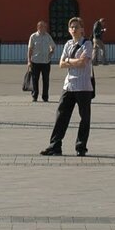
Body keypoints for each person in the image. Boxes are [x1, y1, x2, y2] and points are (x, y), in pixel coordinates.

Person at [41, 17, 94, 156]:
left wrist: (68, 60)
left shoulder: (87, 44)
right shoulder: (68, 44)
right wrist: (72, 61)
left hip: (83, 87)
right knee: (61, 116)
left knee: (85, 118)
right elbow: (60, 64)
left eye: (77, 27)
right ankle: (55, 145)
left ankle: (81, 147)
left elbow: (83, 63)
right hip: (69, 85)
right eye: (72, 27)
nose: (74, 29)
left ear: (82, 29)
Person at [27, 21, 55, 103]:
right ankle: (34, 96)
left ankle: (45, 97)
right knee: (35, 79)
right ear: (38, 27)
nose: (45, 28)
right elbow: (30, 49)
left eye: (45, 27)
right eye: (43, 27)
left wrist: (51, 52)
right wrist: (29, 61)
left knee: (46, 80)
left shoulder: (48, 36)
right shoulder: (33, 36)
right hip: (35, 61)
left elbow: (53, 46)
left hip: (46, 62)